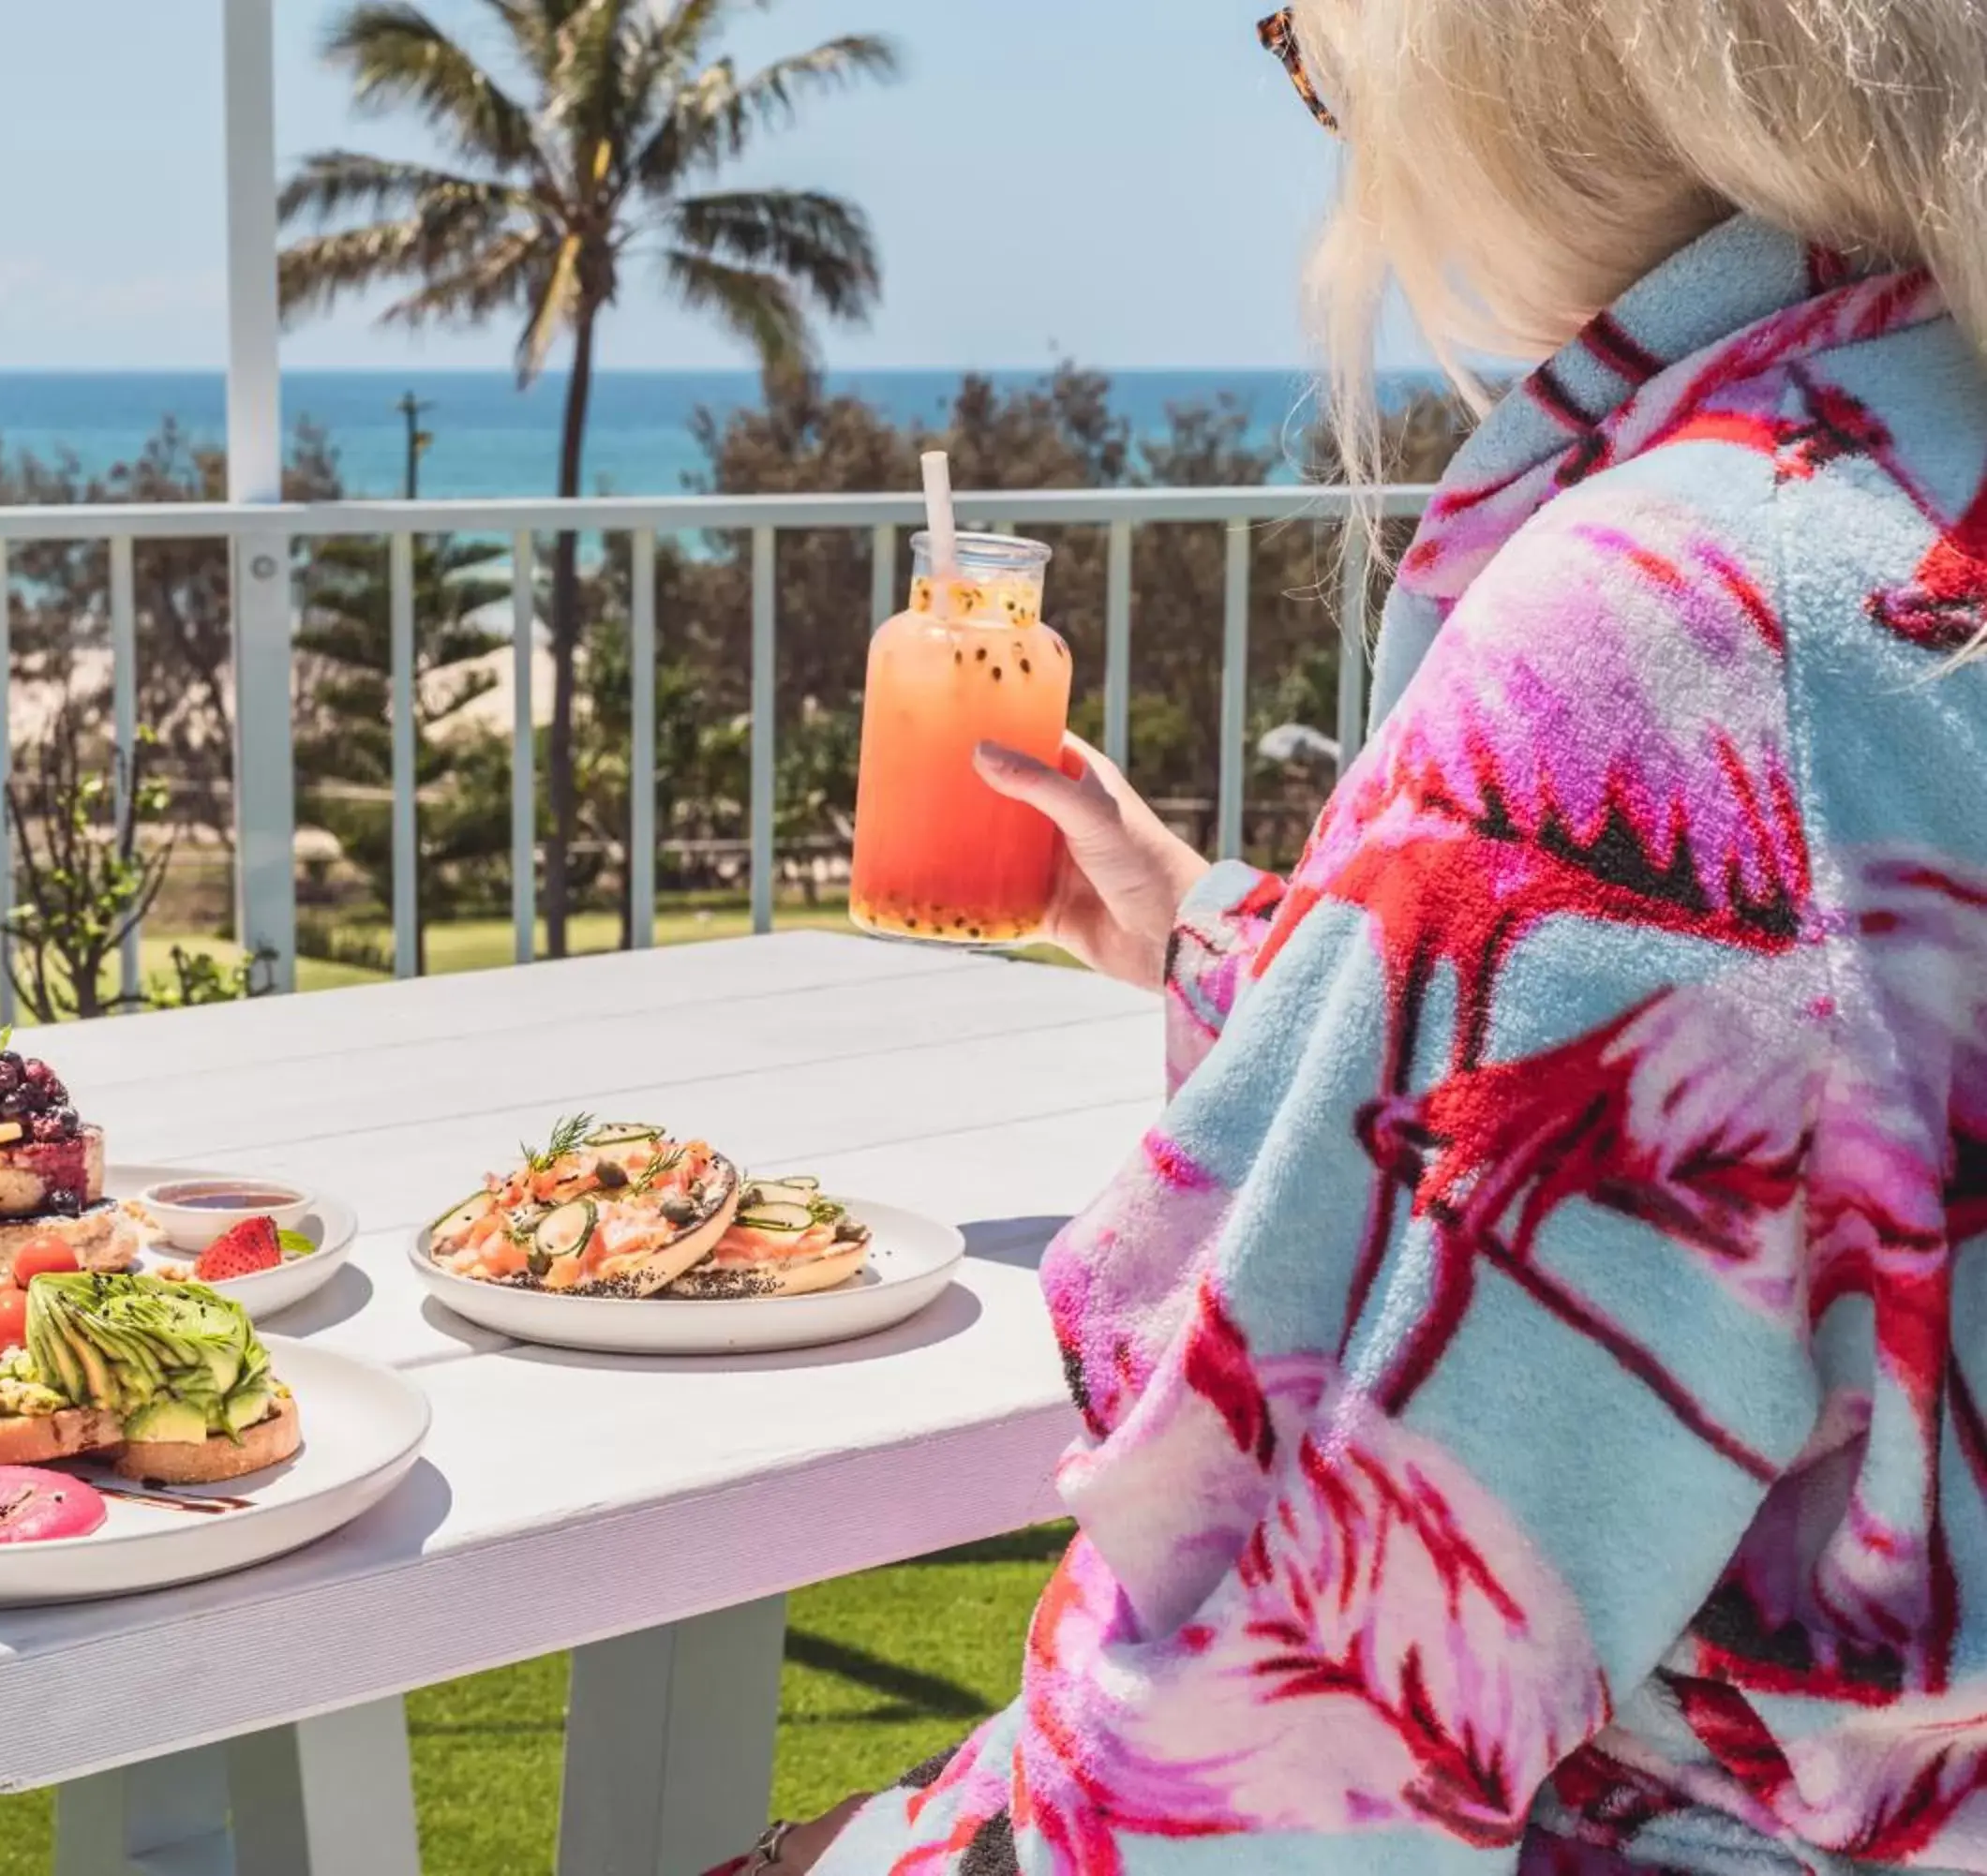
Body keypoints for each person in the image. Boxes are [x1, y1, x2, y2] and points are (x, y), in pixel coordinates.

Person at [728, 1, 1987, 1870]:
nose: (1335, 120)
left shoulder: (1684, 628)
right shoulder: (1922, 486)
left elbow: (1255, 1752)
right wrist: (1256, 950)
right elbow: (1837, 1113)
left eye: (1311, 47)